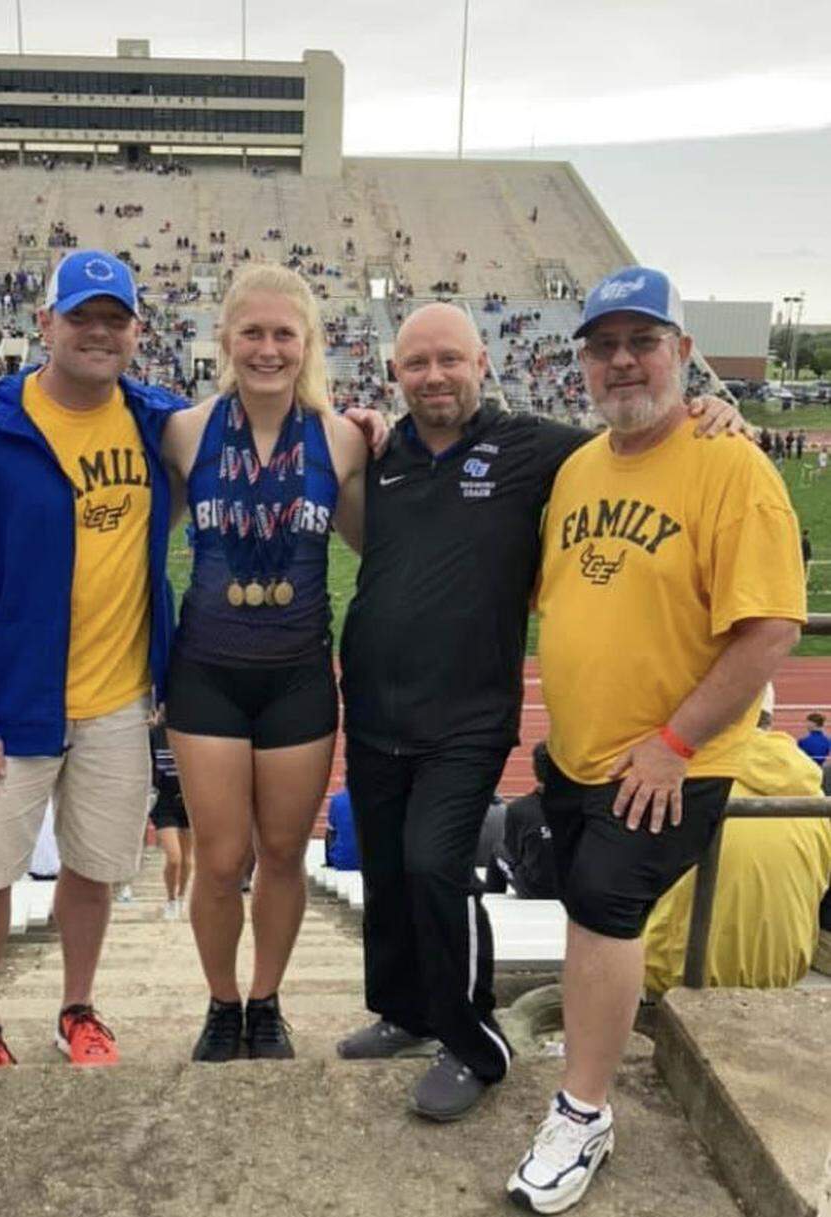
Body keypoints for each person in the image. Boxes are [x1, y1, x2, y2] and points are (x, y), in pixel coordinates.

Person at [336, 299, 743, 1122]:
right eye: (416, 363)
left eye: (450, 359)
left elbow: (638, 439)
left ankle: (471, 1037)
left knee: (434, 866)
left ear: (483, 363)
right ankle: (406, 1009)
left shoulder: (541, 448)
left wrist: (708, 406)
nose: (434, 376)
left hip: (468, 712)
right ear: (395, 374)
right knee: (385, 869)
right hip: (375, 703)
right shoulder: (384, 454)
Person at [508, 266, 805, 1213]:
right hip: (580, 750)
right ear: (584, 366)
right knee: (585, 904)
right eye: (604, 346)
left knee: (603, 903)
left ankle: (582, 1111)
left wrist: (674, 742)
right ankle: (591, 1059)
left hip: (671, 759)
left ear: (683, 352)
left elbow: (771, 628)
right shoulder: (581, 468)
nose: (622, 361)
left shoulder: (733, 465)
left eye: (643, 341)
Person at [0, 250, 185, 1068]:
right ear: (46, 324)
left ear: (137, 332)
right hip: (14, 701)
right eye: (81, 317)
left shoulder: (154, 418)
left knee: (95, 867)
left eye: (115, 319)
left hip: (117, 698)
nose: (98, 333)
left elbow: (257, 413)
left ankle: (78, 1006)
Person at [161, 264, 369, 1062]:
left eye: (285, 334)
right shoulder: (186, 430)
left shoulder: (343, 436)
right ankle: (220, 1004)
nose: (269, 349)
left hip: (297, 676)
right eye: (253, 332)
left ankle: (267, 1002)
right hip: (207, 671)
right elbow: (141, 526)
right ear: (226, 340)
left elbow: (376, 542)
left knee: (283, 853)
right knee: (221, 857)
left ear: (308, 342)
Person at [642, 687, 831, 994]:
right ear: (768, 720)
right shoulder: (811, 791)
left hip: (680, 976)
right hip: (780, 973)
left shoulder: (679, 783)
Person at [483, 743, 558, 900]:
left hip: (535, 890)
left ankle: (491, 896)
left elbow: (513, 852)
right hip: (573, 889)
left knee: (498, 850)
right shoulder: (580, 806)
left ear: (534, 769)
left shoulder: (518, 808)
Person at [149, 723, 192, 920]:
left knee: (186, 858)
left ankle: (181, 897)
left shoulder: (192, 729)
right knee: (174, 856)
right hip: (164, 802)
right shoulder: (154, 734)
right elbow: (147, 766)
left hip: (190, 801)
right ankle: (171, 899)